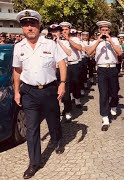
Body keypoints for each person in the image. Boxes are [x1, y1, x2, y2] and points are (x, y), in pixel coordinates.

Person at [12, 9, 67, 179]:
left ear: (38, 25)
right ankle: (34, 163)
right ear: (22, 28)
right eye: (25, 24)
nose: (29, 28)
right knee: (32, 128)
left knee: (53, 119)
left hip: (49, 89)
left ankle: (57, 139)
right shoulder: (18, 47)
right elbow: (17, 70)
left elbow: (61, 63)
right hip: (28, 92)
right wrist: (16, 91)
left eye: (32, 24)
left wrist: (62, 83)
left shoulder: (50, 44)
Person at [87, 21, 122, 131]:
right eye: (102, 30)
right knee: (103, 93)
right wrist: (98, 41)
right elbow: (89, 52)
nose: (104, 32)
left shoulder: (114, 40)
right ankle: (105, 118)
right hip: (101, 69)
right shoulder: (95, 41)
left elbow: (120, 53)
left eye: (106, 30)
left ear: (109, 31)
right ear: (99, 31)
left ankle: (113, 105)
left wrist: (110, 40)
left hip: (112, 68)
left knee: (114, 91)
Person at [48, 24, 73, 123]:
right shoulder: (47, 43)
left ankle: (67, 111)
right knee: (53, 94)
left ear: (60, 32)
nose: (54, 34)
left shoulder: (64, 42)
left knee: (65, 94)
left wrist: (59, 42)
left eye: (56, 32)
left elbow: (69, 53)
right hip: (51, 70)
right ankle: (56, 112)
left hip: (62, 69)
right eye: (52, 32)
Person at [59, 22, 83, 108]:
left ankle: (77, 99)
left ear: (69, 30)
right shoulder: (58, 40)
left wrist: (68, 39)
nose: (64, 31)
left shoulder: (75, 39)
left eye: (66, 29)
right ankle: (67, 103)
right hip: (63, 65)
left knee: (76, 82)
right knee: (66, 85)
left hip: (74, 64)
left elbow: (79, 48)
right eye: (63, 30)